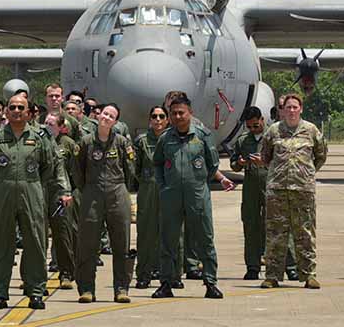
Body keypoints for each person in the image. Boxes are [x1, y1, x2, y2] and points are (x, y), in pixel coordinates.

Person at [0, 94, 71, 311]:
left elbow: (48, 167)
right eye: (12, 107)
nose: (16, 111)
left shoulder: (40, 137)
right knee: (0, 244)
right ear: (6, 111)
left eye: (20, 107)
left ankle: (36, 292)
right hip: (3, 191)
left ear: (28, 112)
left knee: (35, 242)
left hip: (32, 190)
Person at [151, 94, 231, 299]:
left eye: (181, 113)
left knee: (204, 238)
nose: (178, 117)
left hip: (197, 195)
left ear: (190, 113)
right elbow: (157, 163)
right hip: (171, 196)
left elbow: (213, 164)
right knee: (168, 240)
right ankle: (166, 282)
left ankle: (210, 282)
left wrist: (200, 182)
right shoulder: (165, 138)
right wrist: (163, 186)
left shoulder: (203, 136)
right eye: (174, 113)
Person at [257, 95, 326, 289]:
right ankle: (272, 275)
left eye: (295, 107)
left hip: (303, 190)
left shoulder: (311, 131)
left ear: (301, 109)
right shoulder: (273, 131)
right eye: (288, 107)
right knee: (275, 234)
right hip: (277, 191)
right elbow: (265, 156)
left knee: (304, 233)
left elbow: (320, 156)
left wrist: (305, 173)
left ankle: (309, 274)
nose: (292, 111)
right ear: (282, 110)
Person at [74, 104, 136, 303]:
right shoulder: (85, 142)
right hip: (92, 194)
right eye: (105, 114)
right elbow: (77, 170)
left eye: (112, 116)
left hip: (117, 192)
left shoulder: (121, 142)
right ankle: (86, 289)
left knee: (121, 243)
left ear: (115, 122)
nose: (107, 118)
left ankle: (121, 288)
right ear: (99, 115)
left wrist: (121, 190)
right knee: (88, 243)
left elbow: (130, 170)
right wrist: (87, 190)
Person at [231, 106, 296, 281]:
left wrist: (265, 162)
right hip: (251, 188)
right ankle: (252, 266)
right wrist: (240, 163)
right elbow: (233, 164)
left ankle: (290, 266)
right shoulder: (243, 141)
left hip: (272, 185)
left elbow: (286, 161)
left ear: (262, 120)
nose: (253, 130)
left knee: (279, 226)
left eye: (255, 125)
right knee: (251, 225)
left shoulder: (274, 136)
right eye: (249, 127)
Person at [133, 106, 168, 289]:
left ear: (167, 120)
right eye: (154, 116)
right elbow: (135, 168)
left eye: (162, 116)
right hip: (147, 189)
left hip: (168, 190)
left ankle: (170, 274)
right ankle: (144, 273)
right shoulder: (141, 141)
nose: (158, 119)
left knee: (169, 233)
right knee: (146, 233)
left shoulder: (172, 139)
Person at [45, 113, 81, 289]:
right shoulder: (39, 141)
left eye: (52, 124)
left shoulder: (68, 144)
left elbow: (76, 170)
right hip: (41, 191)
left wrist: (71, 193)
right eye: (46, 123)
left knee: (63, 234)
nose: (48, 126)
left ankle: (66, 273)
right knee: (36, 235)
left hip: (61, 194)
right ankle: (33, 275)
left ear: (61, 127)